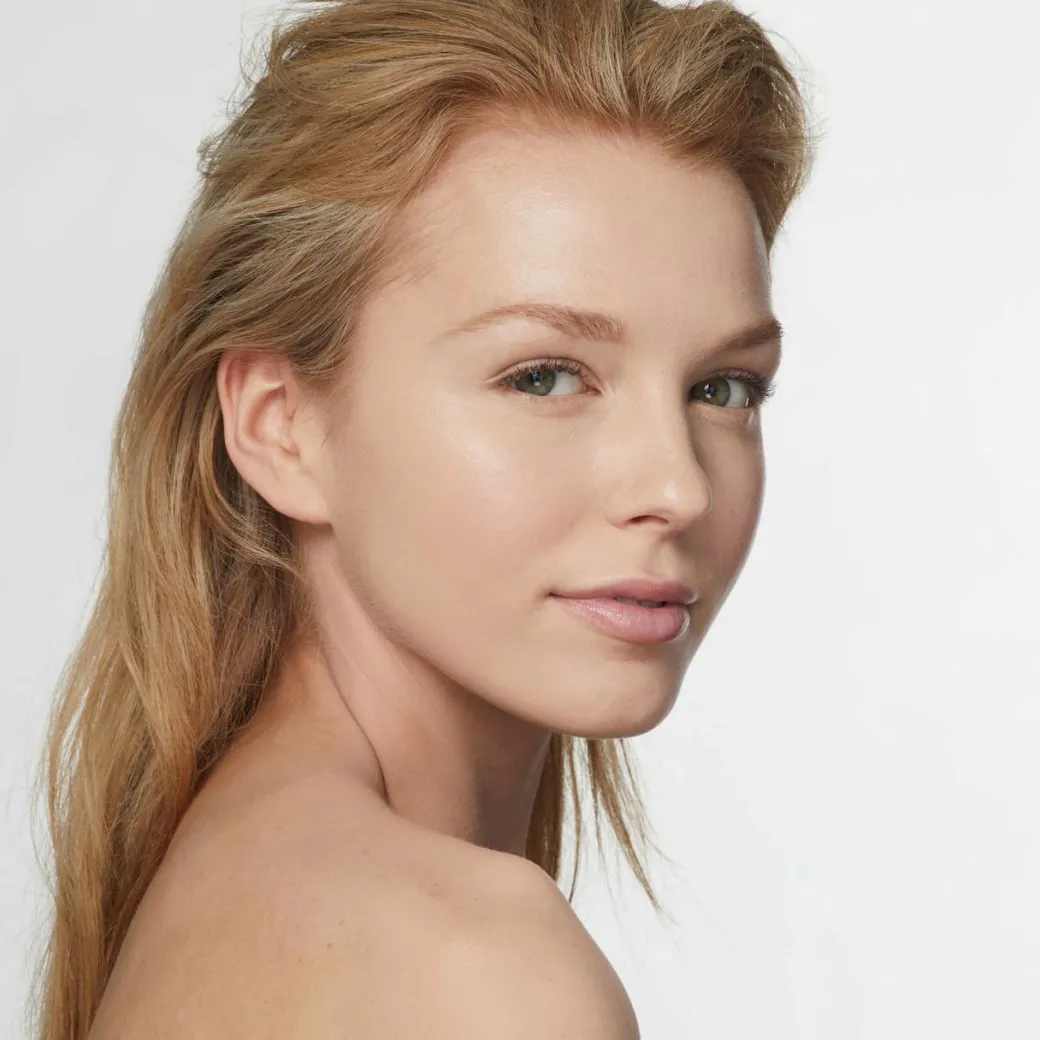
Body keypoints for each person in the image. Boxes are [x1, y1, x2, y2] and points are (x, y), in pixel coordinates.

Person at [29, 0, 816, 1036]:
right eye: (543, 376)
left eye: (722, 388)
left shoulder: (221, 879)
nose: (679, 487)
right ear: (281, 426)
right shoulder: (479, 971)